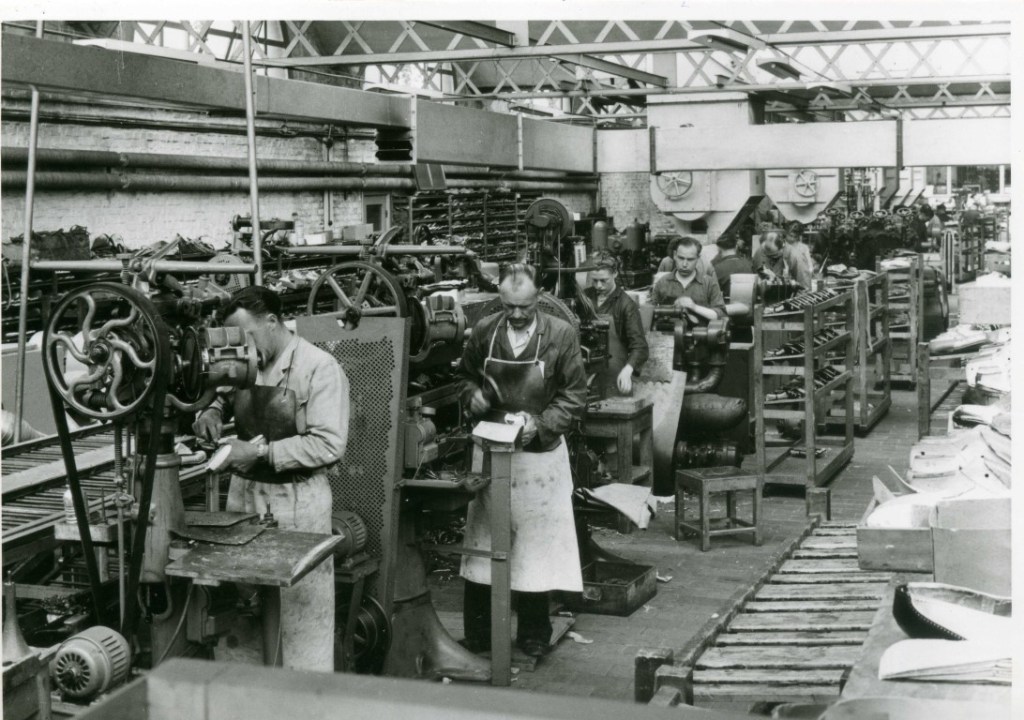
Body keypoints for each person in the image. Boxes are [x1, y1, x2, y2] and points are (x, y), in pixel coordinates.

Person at [193, 285, 349, 672]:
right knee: (243, 611)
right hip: (244, 496)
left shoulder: (319, 367)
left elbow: (329, 445)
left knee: (299, 617)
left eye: (247, 336)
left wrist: (262, 453)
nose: (241, 348)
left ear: (273, 322)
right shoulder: (245, 360)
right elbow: (222, 394)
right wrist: (210, 412)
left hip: (296, 502)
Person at [458, 263, 586, 659]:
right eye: (508, 306)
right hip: (491, 451)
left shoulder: (561, 335)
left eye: (525, 307)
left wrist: (541, 424)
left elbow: (574, 397)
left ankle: (533, 634)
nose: (515, 314)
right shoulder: (485, 330)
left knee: (535, 549)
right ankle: (479, 635)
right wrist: (472, 396)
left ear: (539, 298)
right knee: (483, 546)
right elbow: (465, 377)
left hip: (538, 460)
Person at [583, 251, 648, 397]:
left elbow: (640, 347)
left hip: (614, 375)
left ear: (615, 274)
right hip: (585, 371)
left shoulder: (626, 305)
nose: (598, 285)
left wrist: (628, 370)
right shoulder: (585, 297)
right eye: (594, 280)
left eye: (603, 280)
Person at [651, 235, 726, 323]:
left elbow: (720, 315)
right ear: (674, 255)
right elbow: (650, 313)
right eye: (681, 258)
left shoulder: (709, 283)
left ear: (698, 258)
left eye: (690, 260)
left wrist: (694, 307)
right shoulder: (662, 282)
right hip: (668, 331)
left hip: (701, 331)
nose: (684, 264)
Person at [782, 222, 815, 290]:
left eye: (795, 237)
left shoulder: (803, 247)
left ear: (798, 236)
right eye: (790, 235)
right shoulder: (782, 246)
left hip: (802, 279)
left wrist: (810, 270)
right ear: (786, 233)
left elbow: (809, 264)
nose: (792, 239)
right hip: (787, 278)